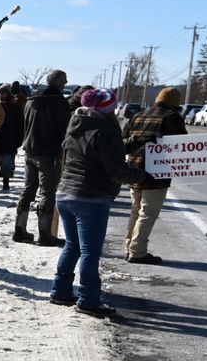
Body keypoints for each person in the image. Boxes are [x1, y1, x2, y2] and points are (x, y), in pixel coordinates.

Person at [50, 88, 141, 317]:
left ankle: (60, 291)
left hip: (65, 194)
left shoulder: (76, 123)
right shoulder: (106, 130)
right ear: (110, 109)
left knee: (73, 247)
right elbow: (116, 170)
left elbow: (93, 152)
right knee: (90, 252)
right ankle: (89, 299)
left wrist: (130, 144)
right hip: (91, 198)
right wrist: (143, 175)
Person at [120, 87, 186, 264]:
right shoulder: (171, 117)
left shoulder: (138, 115)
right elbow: (181, 143)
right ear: (175, 103)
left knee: (136, 209)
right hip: (156, 171)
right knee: (147, 213)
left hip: (134, 168)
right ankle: (138, 251)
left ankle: (129, 247)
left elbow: (124, 138)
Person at [15, 69, 70, 246]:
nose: (65, 85)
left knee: (28, 189)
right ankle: (45, 234)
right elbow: (65, 131)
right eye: (65, 82)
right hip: (49, 153)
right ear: (60, 83)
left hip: (30, 150)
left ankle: (20, 229)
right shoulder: (58, 103)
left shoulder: (31, 101)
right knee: (47, 193)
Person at [0, 81, 26, 191]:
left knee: (7, 163)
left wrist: (19, 140)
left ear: (8, 93)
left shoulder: (14, 107)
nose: (0, 95)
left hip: (9, 139)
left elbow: (20, 125)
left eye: (3, 93)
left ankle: (5, 182)